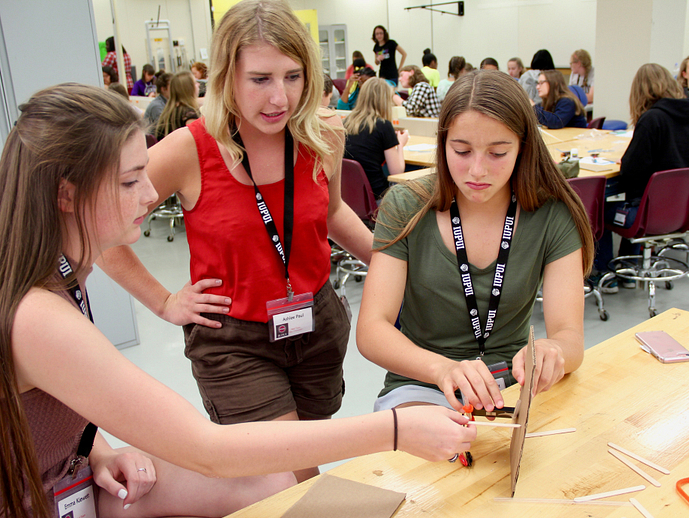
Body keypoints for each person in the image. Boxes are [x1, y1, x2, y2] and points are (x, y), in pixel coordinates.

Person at [0, 82, 476, 518]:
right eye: (129, 182)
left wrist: (97, 449)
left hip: (76, 476)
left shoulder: (59, 278)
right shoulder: (39, 315)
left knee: (274, 482)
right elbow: (207, 449)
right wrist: (395, 430)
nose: (150, 195)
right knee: (273, 482)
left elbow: (64, 401)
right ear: (67, 196)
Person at [97, 0, 400, 485]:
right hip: (234, 342)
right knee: (296, 474)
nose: (280, 97)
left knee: (281, 471)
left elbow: (334, 212)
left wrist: (394, 273)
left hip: (315, 325)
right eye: (260, 79)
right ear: (226, 79)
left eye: (294, 76)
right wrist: (164, 302)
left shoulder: (321, 136)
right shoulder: (189, 150)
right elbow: (102, 230)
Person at [357, 70, 592, 414]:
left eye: (497, 153)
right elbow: (372, 329)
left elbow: (569, 335)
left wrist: (553, 350)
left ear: (523, 148)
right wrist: (443, 369)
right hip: (423, 384)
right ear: (443, 144)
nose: (477, 171)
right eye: (462, 151)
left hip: (513, 387)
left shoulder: (552, 214)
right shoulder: (406, 205)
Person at [594, 63, 689, 290]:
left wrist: (625, 161)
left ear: (641, 91)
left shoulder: (652, 119)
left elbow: (631, 172)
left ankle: (606, 275)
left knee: (597, 210)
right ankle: (628, 272)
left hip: (646, 215)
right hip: (681, 211)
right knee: (637, 200)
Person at [344, 78, 409, 198]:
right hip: (376, 196)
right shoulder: (383, 126)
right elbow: (397, 172)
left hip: (350, 197)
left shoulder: (346, 123)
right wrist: (400, 144)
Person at [154, 71, 201, 141]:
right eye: (195, 83)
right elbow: (199, 141)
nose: (199, 84)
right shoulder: (189, 115)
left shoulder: (169, 111)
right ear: (189, 88)